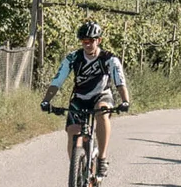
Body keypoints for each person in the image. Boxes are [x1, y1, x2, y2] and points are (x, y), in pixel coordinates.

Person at [40, 21, 131, 176]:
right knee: (72, 131)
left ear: (99, 40)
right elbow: (57, 81)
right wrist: (46, 100)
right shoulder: (73, 58)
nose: (87, 45)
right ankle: (75, 170)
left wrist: (125, 101)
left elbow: (119, 81)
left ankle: (102, 158)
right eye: (84, 41)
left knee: (102, 113)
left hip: (101, 95)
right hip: (80, 97)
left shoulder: (109, 59)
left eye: (91, 41)